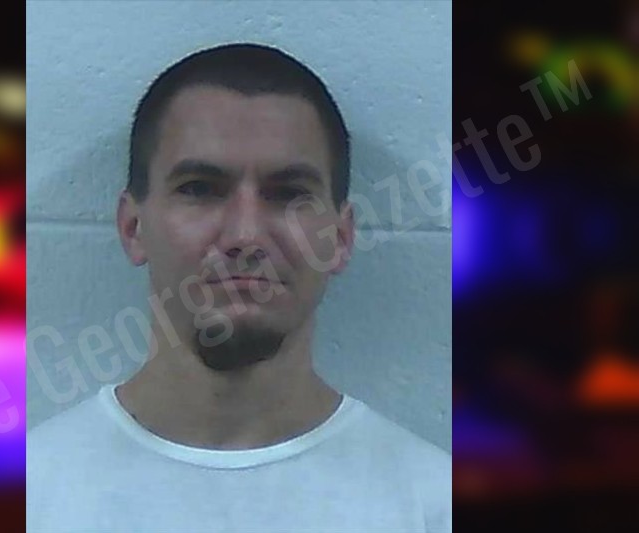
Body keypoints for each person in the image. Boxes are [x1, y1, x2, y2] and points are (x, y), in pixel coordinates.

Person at [27, 43, 450, 532]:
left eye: (288, 194)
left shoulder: (432, 505)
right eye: (200, 189)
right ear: (133, 227)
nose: (245, 235)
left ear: (340, 238)